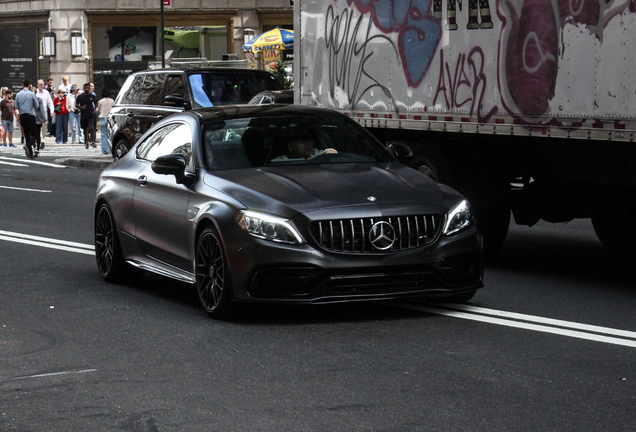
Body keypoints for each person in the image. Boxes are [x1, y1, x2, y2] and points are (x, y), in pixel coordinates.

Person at [14, 79, 39, 159]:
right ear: (29, 85)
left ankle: (30, 153)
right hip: (30, 115)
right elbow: (37, 105)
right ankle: (28, 145)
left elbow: (16, 106)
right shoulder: (32, 94)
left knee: (26, 134)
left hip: (22, 115)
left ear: (22, 85)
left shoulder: (18, 94)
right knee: (34, 134)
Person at [273, 132, 337, 161]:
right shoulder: (280, 161)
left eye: (309, 141)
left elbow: (329, 153)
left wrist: (329, 152)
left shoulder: (315, 154)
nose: (307, 144)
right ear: (290, 146)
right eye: (302, 141)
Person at [76, 82, 97, 148]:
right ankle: (86, 141)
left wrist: (95, 109)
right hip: (83, 114)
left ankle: (92, 141)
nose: (86, 89)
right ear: (83, 89)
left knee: (91, 126)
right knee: (85, 128)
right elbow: (76, 104)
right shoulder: (80, 96)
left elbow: (96, 103)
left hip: (90, 113)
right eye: (85, 88)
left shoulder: (92, 96)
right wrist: (81, 107)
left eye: (88, 88)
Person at [96, 88, 115, 154]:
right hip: (109, 118)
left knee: (103, 135)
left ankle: (104, 149)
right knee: (110, 135)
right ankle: (110, 149)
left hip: (102, 117)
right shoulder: (112, 101)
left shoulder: (100, 101)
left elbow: (98, 110)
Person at [35, 79, 53, 147]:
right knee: (39, 127)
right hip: (37, 112)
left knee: (44, 127)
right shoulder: (35, 92)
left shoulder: (46, 92)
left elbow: (50, 102)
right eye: (40, 84)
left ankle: (42, 138)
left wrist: (51, 111)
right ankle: (41, 140)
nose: (41, 86)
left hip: (44, 111)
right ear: (37, 85)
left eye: (42, 84)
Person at [33, 87, 47, 156]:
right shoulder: (39, 99)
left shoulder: (38, 100)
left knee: (34, 134)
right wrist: (44, 119)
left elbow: (42, 109)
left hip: (35, 118)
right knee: (37, 134)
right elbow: (41, 110)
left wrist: (44, 119)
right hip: (37, 118)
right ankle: (37, 148)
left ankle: (36, 147)